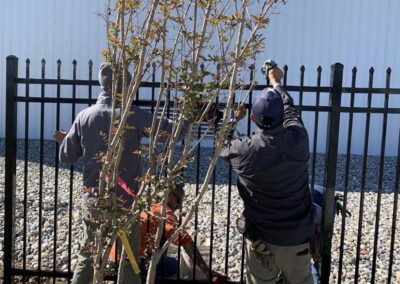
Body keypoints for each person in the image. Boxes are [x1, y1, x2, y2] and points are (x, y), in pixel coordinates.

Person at [54, 63, 186, 284]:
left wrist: (71, 138)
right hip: (127, 201)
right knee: (128, 257)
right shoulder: (133, 115)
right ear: (128, 85)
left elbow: (66, 156)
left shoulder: (85, 116)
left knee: (88, 254)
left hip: (94, 199)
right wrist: (188, 115)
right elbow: (172, 133)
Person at [219, 65, 315, 284]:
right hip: (296, 238)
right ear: (282, 117)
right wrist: (277, 83)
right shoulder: (298, 141)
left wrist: (233, 119)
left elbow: (220, 145)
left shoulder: (244, 150)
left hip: (261, 239)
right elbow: (291, 111)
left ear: (252, 118)